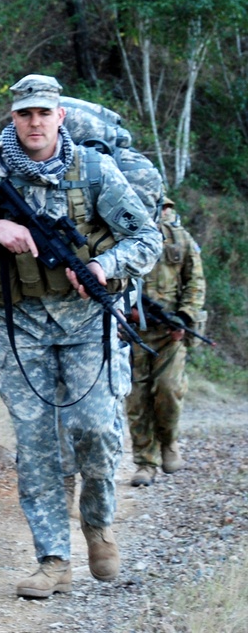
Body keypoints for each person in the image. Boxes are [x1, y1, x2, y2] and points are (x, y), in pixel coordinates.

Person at [0, 74, 162, 599]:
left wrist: (105, 266)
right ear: (13, 118)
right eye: (25, 114)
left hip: (89, 324)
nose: (35, 122)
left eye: (44, 112)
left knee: (96, 430)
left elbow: (145, 238)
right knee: (36, 445)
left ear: (60, 116)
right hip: (22, 326)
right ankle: (52, 560)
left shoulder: (95, 169)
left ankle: (98, 526)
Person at [127, 196, 206, 487]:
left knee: (169, 390)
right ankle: (145, 463)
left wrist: (184, 317)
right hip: (131, 333)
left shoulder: (179, 237)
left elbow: (195, 281)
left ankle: (169, 442)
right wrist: (126, 311)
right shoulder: (121, 234)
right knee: (137, 400)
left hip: (169, 333)